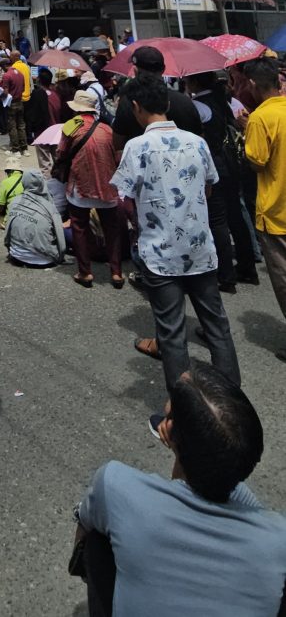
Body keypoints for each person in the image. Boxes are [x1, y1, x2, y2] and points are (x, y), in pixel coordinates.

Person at [76, 362, 286, 617]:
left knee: (96, 539)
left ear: (169, 432)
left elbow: (83, 528)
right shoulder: (278, 538)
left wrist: (184, 451)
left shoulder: (115, 484)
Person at [111, 73, 240, 427]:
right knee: (217, 327)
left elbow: (124, 196)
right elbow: (209, 188)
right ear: (167, 103)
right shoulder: (197, 142)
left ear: (136, 107)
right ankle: (231, 407)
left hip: (160, 254)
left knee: (172, 333)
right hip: (200, 249)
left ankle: (186, 417)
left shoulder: (136, 147)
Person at [187, 72, 258, 292]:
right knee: (235, 215)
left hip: (214, 165)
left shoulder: (198, 106)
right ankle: (247, 267)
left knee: (217, 221)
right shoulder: (221, 99)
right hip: (230, 162)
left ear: (194, 82)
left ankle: (226, 275)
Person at [55, 89, 123, 288]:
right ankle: (117, 272)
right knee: (112, 229)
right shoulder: (107, 129)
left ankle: (85, 272)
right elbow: (117, 157)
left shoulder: (71, 126)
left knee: (79, 227)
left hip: (80, 184)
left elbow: (61, 153)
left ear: (77, 109)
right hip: (107, 185)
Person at [245, 57, 286, 360]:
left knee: (283, 279)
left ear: (252, 84)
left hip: (276, 210)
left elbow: (257, 162)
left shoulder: (259, 118)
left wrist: (244, 129)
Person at [112, 44, 203, 144]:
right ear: (163, 69)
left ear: (135, 71)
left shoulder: (128, 102)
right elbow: (199, 138)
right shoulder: (184, 101)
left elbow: (117, 143)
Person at [4, 169, 66, 267]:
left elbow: (7, 231)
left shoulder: (14, 202)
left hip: (17, 256)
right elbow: (60, 235)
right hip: (44, 260)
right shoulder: (49, 206)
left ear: (24, 182)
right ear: (42, 183)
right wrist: (60, 256)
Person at [1, 52, 27, 155]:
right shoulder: (20, 74)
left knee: (12, 126)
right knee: (21, 125)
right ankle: (24, 148)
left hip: (11, 103)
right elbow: (23, 88)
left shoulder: (6, 75)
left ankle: (15, 149)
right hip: (20, 102)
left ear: (5, 66)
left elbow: (5, 92)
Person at [0, 164, 25, 228]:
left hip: (12, 221)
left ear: (10, 171)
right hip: (27, 219)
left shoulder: (5, 182)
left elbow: (0, 205)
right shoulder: (28, 180)